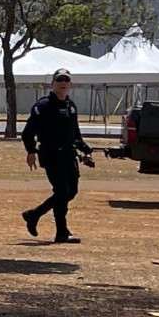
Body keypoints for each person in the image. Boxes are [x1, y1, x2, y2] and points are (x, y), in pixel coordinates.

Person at [21, 69, 94, 244]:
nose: (63, 83)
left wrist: (85, 150)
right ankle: (60, 231)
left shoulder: (71, 106)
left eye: (66, 80)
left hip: (69, 156)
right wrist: (31, 151)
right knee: (62, 191)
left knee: (71, 192)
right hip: (51, 155)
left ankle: (34, 215)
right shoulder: (43, 106)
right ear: (53, 83)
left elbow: (75, 133)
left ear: (70, 84)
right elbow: (27, 132)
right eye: (59, 79)